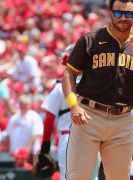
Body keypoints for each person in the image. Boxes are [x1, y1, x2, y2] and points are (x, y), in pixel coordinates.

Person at [61, 0, 133, 179]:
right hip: (88, 115)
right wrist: (73, 105)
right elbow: (69, 72)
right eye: (118, 13)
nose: (123, 18)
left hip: (122, 120)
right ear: (110, 12)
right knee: (78, 176)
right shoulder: (90, 40)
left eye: (128, 14)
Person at [40, 45, 99, 180]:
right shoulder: (97, 84)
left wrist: (45, 147)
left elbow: (49, 121)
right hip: (94, 139)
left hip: (69, 139)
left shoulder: (59, 87)